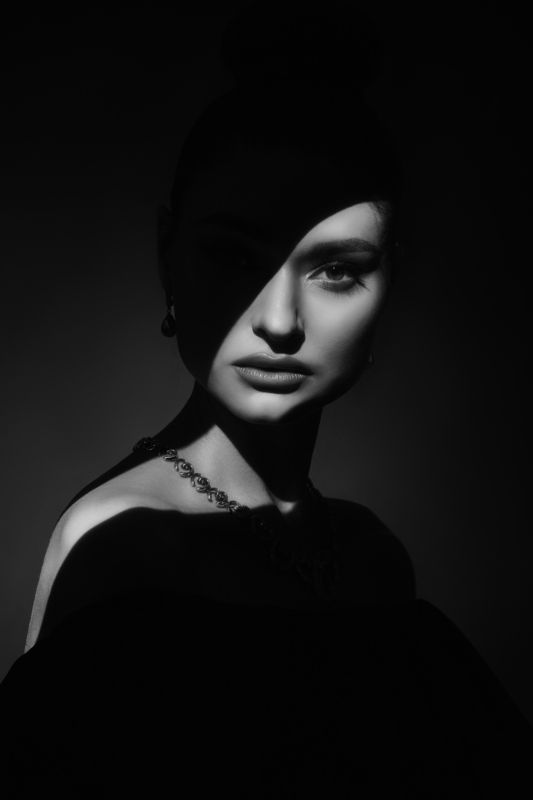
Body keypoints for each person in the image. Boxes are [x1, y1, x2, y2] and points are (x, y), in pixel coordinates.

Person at [1, 9, 531, 798]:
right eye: (232, 255)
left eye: (336, 269)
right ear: (168, 256)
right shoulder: (117, 544)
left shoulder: (370, 559)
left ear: (390, 282)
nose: (279, 322)